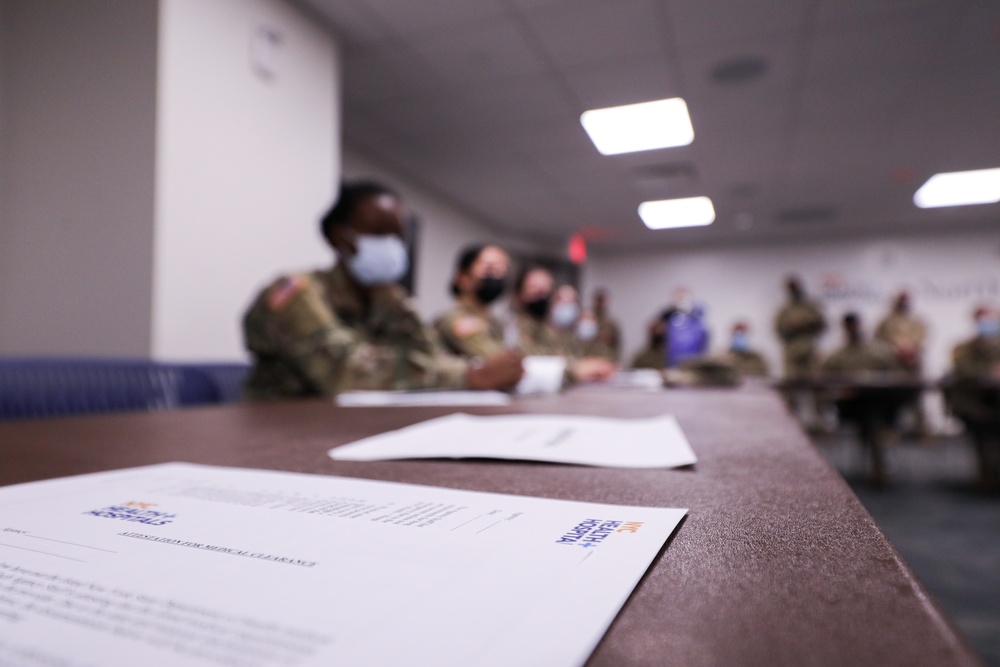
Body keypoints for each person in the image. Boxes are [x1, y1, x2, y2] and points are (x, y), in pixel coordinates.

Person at [241, 180, 523, 399]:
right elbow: (345, 373)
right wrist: (469, 375)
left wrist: (395, 302)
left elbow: (428, 355)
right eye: (378, 233)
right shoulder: (297, 292)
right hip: (278, 430)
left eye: (398, 236)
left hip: (349, 427)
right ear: (342, 237)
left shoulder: (385, 299)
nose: (391, 245)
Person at [510, 266, 615, 382]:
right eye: (534, 287)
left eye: (546, 288)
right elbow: (530, 361)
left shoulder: (550, 329)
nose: (542, 294)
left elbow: (563, 356)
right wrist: (575, 369)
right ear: (519, 293)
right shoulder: (513, 326)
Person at [946, 305, 1000, 487]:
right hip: (976, 404)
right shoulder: (964, 348)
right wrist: (989, 372)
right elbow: (962, 369)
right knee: (983, 436)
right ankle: (986, 476)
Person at [434, 244, 511, 359]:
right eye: (489, 268)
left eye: (501, 271)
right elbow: (495, 360)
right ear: (463, 277)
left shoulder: (498, 324)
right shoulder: (453, 320)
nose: (496, 276)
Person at [875, 290, 929, 435]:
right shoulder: (886, 322)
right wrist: (896, 347)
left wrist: (909, 348)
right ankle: (891, 430)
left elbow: (921, 339)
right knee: (892, 400)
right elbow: (879, 340)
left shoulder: (917, 321)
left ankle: (921, 431)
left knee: (916, 399)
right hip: (893, 367)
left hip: (912, 365)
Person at [774, 276, 827, 380]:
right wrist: (791, 326)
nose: (794, 290)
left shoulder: (811, 307)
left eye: (795, 287)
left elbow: (822, 324)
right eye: (791, 288)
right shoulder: (784, 310)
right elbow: (778, 330)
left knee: (815, 380)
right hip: (792, 350)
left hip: (809, 348)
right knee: (790, 381)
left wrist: (805, 323)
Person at [662, 287, 709, 367]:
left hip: (694, 362)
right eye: (679, 297)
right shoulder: (669, 318)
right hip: (672, 363)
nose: (682, 300)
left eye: (684, 297)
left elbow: (704, 341)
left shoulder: (696, 319)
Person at [591, 289, 622, 362]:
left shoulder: (611, 323)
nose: (601, 303)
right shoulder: (588, 319)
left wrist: (613, 359)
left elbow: (617, 345)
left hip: (606, 358)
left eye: (603, 300)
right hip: (589, 358)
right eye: (599, 300)